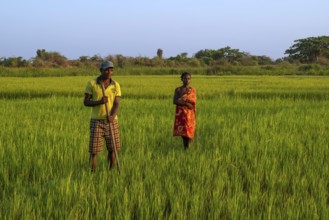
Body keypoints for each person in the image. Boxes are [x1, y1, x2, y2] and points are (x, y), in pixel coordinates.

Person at [84, 60, 121, 172]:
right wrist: (99, 102)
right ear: (101, 70)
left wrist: (112, 116)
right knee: (94, 151)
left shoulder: (115, 85)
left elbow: (116, 103)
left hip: (111, 121)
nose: (109, 72)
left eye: (111, 70)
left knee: (112, 149)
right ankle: (93, 172)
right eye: (106, 69)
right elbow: (86, 102)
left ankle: (110, 171)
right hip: (97, 121)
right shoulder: (92, 83)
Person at [173, 72, 197, 149]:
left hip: (190, 114)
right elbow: (175, 101)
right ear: (181, 79)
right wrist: (186, 104)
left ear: (190, 80)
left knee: (189, 131)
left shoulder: (192, 90)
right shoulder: (178, 90)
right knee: (183, 133)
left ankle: (188, 147)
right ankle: (185, 147)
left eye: (188, 78)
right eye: (185, 78)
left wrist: (182, 101)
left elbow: (194, 102)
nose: (187, 80)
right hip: (181, 114)